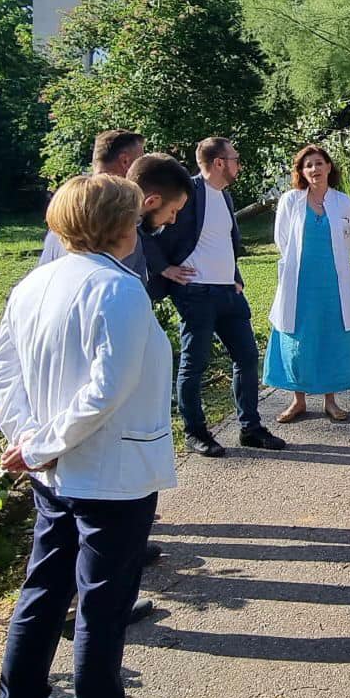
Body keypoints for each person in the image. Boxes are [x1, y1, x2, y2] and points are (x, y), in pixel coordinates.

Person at [0, 175, 180, 698]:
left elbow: (2, 374)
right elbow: (107, 390)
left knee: (44, 590)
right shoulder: (120, 289)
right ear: (121, 226)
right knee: (102, 603)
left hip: (55, 472)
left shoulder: (35, 282)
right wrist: (40, 443)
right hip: (110, 473)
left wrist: (29, 439)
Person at [146, 137, 286, 457]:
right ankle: (195, 433)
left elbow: (224, 242)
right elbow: (146, 230)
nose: (239, 164)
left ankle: (250, 428)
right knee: (194, 365)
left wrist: (234, 277)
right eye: (235, 158)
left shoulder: (224, 195)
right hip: (195, 293)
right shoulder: (188, 191)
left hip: (228, 292)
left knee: (247, 357)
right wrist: (164, 268)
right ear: (219, 162)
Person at [265, 145, 350, 422]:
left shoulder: (343, 202)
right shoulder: (290, 200)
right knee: (299, 339)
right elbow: (282, 240)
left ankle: (331, 401)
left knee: (331, 336)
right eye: (308, 165)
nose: (314, 169)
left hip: (333, 283)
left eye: (319, 163)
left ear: (329, 167)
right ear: (301, 171)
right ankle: (298, 400)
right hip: (300, 283)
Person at [38, 129, 146, 267]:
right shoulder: (115, 209)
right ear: (125, 161)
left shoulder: (71, 199)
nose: (143, 168)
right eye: (140, 160)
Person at [123, 154, 194, 286]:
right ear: (152, 201)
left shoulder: (104, 228)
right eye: (173, 211)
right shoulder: (119, 241)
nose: (173, 220)